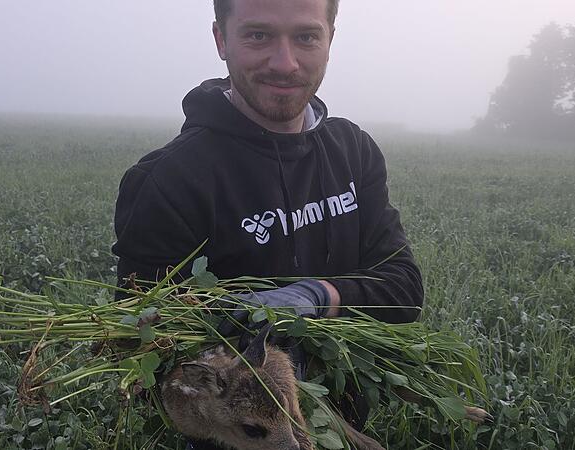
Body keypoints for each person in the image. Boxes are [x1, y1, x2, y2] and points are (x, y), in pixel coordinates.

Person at [111, 0, 423, 447]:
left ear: (330, 40)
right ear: (221, 39)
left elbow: (403, 290)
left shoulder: (353, 151)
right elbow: (144, 341)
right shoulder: (169, 179)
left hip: (343, 426)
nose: (285, 62)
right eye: (258, 35)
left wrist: (318, 296)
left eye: (306, 36)